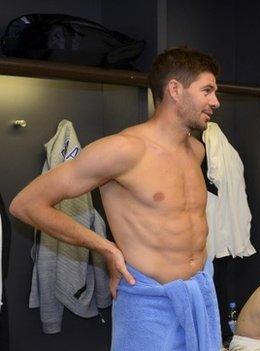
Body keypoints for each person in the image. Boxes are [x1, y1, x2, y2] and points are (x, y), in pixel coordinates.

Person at [10, 47, 222, 350]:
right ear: (175, 89)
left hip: (198, 294)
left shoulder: (197, 150)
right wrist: (106, 248)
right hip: (148, 301)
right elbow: (26, 204)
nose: (215, 101)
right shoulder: (123, 150)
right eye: (207, 90)